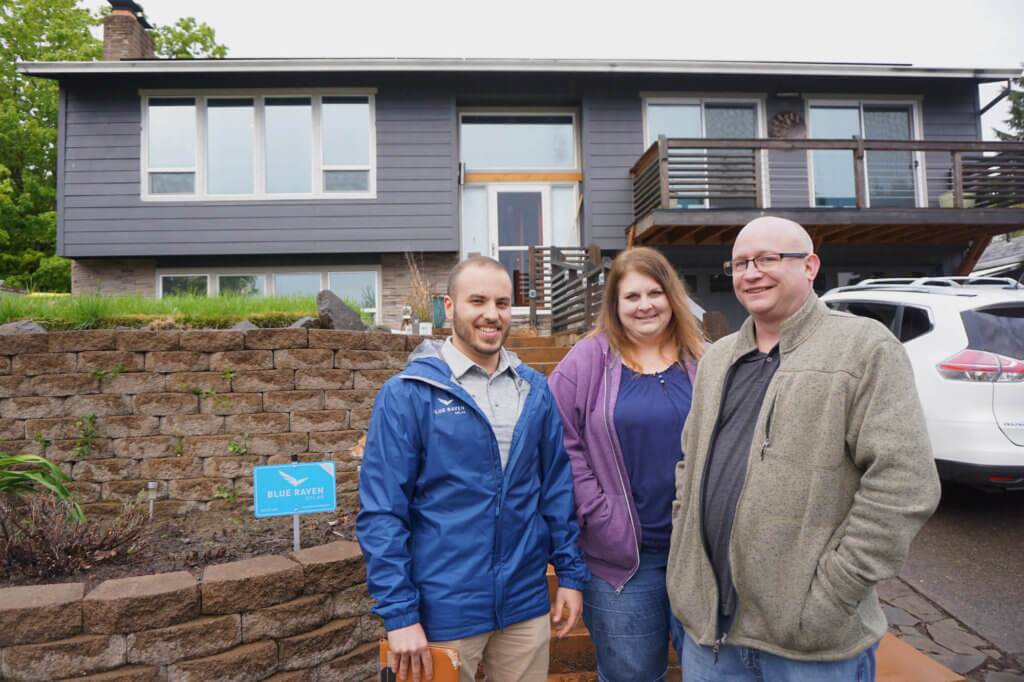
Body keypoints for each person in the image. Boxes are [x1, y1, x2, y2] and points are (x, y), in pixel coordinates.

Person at [667, 216, 941, 680]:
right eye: (740, 263)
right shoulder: (717, 359)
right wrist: (683, 560)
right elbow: (688, 465)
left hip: (809, 646)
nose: (751, 273)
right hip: (712, 637)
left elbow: (904, 482)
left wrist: (834, 594)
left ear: (810, 266)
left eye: (767, 259)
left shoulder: (863, 348)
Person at [356, 255, 589, 682]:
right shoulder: (408, 394)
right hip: (442, 610)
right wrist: (400, 614)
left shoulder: (535, 390)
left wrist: (571, 575)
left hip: (524, 606)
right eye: (477, 301)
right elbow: (383, 512)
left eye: (502, 303)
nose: (491, 314)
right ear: (449, 307)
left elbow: (556, 491)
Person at [548, 247, 705, 681]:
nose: (645, 305)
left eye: (655, 293)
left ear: (672, 296)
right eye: (632, 296)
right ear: (615, 305)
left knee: (714, 673)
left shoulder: (707, 359)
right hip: (622, 561)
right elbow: (558, 440)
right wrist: (598, 511)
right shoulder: (587, 361)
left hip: (701, 556)